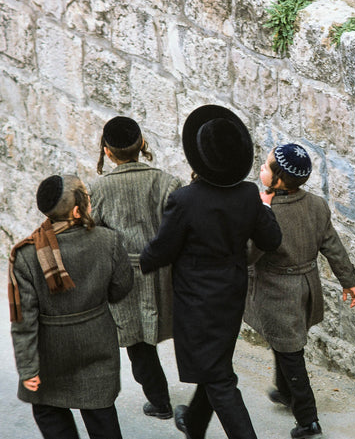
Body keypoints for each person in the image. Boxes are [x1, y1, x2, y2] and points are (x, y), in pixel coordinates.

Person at [139, 104, 282, 439]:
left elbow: (163, 248)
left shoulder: (185, 200)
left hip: (196, 302)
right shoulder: (249, 195)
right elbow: (271, 239)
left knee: (219, 378)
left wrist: (137, 264)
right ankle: (194, 423)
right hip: (231, 295)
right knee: (215, 364)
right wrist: (264, 207)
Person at [244, 143, 355, 439]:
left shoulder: (266, 214)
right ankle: (285, 392)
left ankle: (308, 419)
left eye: (266, 166)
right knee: (285, 343)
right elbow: (332, 246)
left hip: (276, 292)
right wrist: (348, 281)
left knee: (290, 352)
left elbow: (248, 256)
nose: (260, 168)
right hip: (306, 286)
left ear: (279, 179)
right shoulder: (317, 205)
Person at [9, 174, 133, 439]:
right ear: (77, 211)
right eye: (86, 196)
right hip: (97, 342)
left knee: (48, 412)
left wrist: (28, 367)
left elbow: (24, 320)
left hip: (50, 353)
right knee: (101, 414)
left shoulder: (27, 255)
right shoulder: (108, 241)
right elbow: (121, 289)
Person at [89, 116, 182, 420]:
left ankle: (159, 401)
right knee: (176, 329)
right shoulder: (168, 182)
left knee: (137, 343)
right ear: (142, 144)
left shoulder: (99, 190)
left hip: (124, 275)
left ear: (107, 151)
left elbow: (97, 236)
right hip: (165, 271)